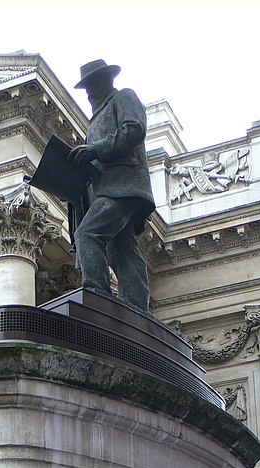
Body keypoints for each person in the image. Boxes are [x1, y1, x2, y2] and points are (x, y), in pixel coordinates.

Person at [68, 59, 155, 313]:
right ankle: (137, 308)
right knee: (121, 251)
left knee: (87, 233)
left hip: (122, 187)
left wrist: (95, 149)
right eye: (88, 89)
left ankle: (96, 294)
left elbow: (134, 129)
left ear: (106, 81)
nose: (91, 93)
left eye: (93, 85)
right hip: (107, 190)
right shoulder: (95, 119)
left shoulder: (124, 97)